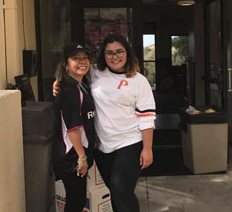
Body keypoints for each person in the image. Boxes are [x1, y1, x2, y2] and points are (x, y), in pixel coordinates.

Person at [53, 34, 156, 212]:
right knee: (114, 192)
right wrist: (58, 82)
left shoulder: (139, 81)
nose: (114, 57)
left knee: (122, 191)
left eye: (119, 52)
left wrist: (147, 148)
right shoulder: (96, 72)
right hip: (103, 147)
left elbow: (146, 117)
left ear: (127, 53)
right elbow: (75, 73)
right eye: (109, 53)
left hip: (129, 143)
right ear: (103, 55)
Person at [52, 43, 97, 212]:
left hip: (76, 153)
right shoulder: (70, 89)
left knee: (76, 200)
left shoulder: (80, 85)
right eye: (75, 58)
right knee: (75, 202)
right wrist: (82, 157)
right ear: (66, 64)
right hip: (72, 155)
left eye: (85, 57)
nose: (82, 61)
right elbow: (72, 127)